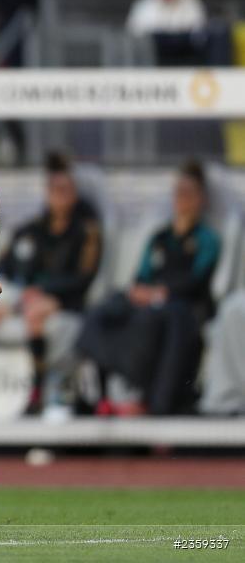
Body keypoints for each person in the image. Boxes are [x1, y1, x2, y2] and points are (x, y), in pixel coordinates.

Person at [0, 154, 101, 415]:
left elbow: (84, 277)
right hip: (26, 295)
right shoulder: (34, 229)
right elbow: (8, 264)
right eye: (53, 190)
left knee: (35, 314)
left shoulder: (86, 231)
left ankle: (37, 393)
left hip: (63, 300)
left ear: (74, 193)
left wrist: (47, 292)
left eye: (64, 190)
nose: (58, 196)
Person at [78, 161, 220, 416]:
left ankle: (151, 402)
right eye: (179, 192)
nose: (183, 199)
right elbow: (141, 275)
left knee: (155, 319)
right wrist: (139, 291)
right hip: (149, 301)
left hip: (183, 307)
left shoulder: (206, 239)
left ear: (201, 198)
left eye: (189, 193)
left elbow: (198, 279)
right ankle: (101, 396)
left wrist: (161, 293)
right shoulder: (159, 238)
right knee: (100, 313)